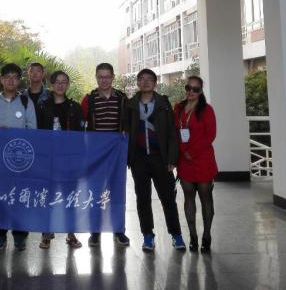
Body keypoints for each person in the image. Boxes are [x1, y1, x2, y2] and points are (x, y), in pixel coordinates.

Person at [125, 68, 186, 252]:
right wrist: (129, 158)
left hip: (161, 158)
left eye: (149, 79)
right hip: (139, 159)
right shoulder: (130, 105)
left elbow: (172, 134)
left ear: (155, 82)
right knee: (142, 199)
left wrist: (172, 158)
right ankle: (148, 235)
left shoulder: (163, 104)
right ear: (137, 83)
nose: (145, 82)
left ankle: (176, 234)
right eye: (142, 79)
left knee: (168, 198)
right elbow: (125, 132)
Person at [0, 63, 37, 252]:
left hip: (21, 160)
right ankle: (0, 236)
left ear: (19, 80)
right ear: (1, 80)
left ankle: (20, 236)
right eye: (7, 77)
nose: (11, 80)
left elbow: (33, 129)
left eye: (15, 77)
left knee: (20, 197)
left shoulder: (26, 102)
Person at [80, 62, 130, 248]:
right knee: (95, 193)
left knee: (117, 193)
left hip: (116, 154)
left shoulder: (122, 99)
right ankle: (95, 233)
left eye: (107, 76)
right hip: (95, 155)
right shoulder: (89, 99)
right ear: (96, 77)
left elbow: (129, 124)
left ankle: (119, 231)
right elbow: (80, 125)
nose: (104, 80)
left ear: (113, 77)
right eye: (100, 77)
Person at [36, 70, 84, 250]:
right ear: (51, 85)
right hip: (47, 159)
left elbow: (81, 135)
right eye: (57, 81)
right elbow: (36, 132)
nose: (60, 85)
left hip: (69, 161)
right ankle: (46, 234)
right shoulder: (43, 106)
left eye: (64, 81)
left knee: (69, 198)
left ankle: (71, 234)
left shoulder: (74, 107)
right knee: (47, 197)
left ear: (68, 85)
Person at [174, 75, 218, 253]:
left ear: (200, 92)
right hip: (184, 161)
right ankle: (193, 236)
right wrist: (180, 153)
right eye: (188, 88)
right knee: (188, 198)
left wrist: (192, 152)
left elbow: (210, 135)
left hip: (202, 159)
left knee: (206, 198)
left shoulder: (206, 110)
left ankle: (206, 236)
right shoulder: (178, 108)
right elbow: (174, 132)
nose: (191, 91)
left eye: (195, 89)